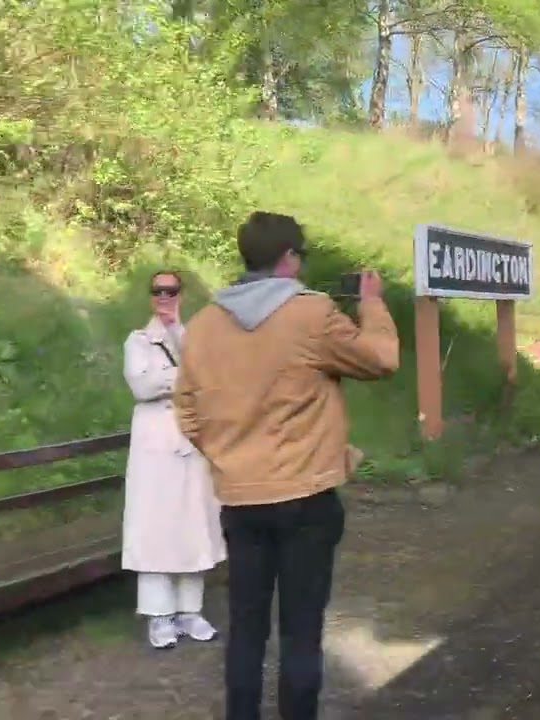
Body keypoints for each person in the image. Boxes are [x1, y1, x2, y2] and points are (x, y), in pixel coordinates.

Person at [173, 212, 400, 720]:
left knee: (245, 629)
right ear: (289, 258)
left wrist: (228, 459)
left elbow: (186, 410)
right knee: (301, 632)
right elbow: (381, 359)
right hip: (305, 499)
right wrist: (371, 303)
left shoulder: (205, 324)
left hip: (240, 500)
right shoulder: (312, 314)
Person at [121, 270, 227, 650]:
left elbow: (211, 379)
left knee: (192, 523)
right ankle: (159, 616)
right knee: (155, 526)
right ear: (151, 296)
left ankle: (190, 611)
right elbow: (140, 385)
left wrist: (173, 372)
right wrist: (183, 375)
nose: (164, 297)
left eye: (171, 291)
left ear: (181, 295)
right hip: (154, 448)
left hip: (190, 442)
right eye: (158, 291)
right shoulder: (137, 340)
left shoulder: (193, 338)